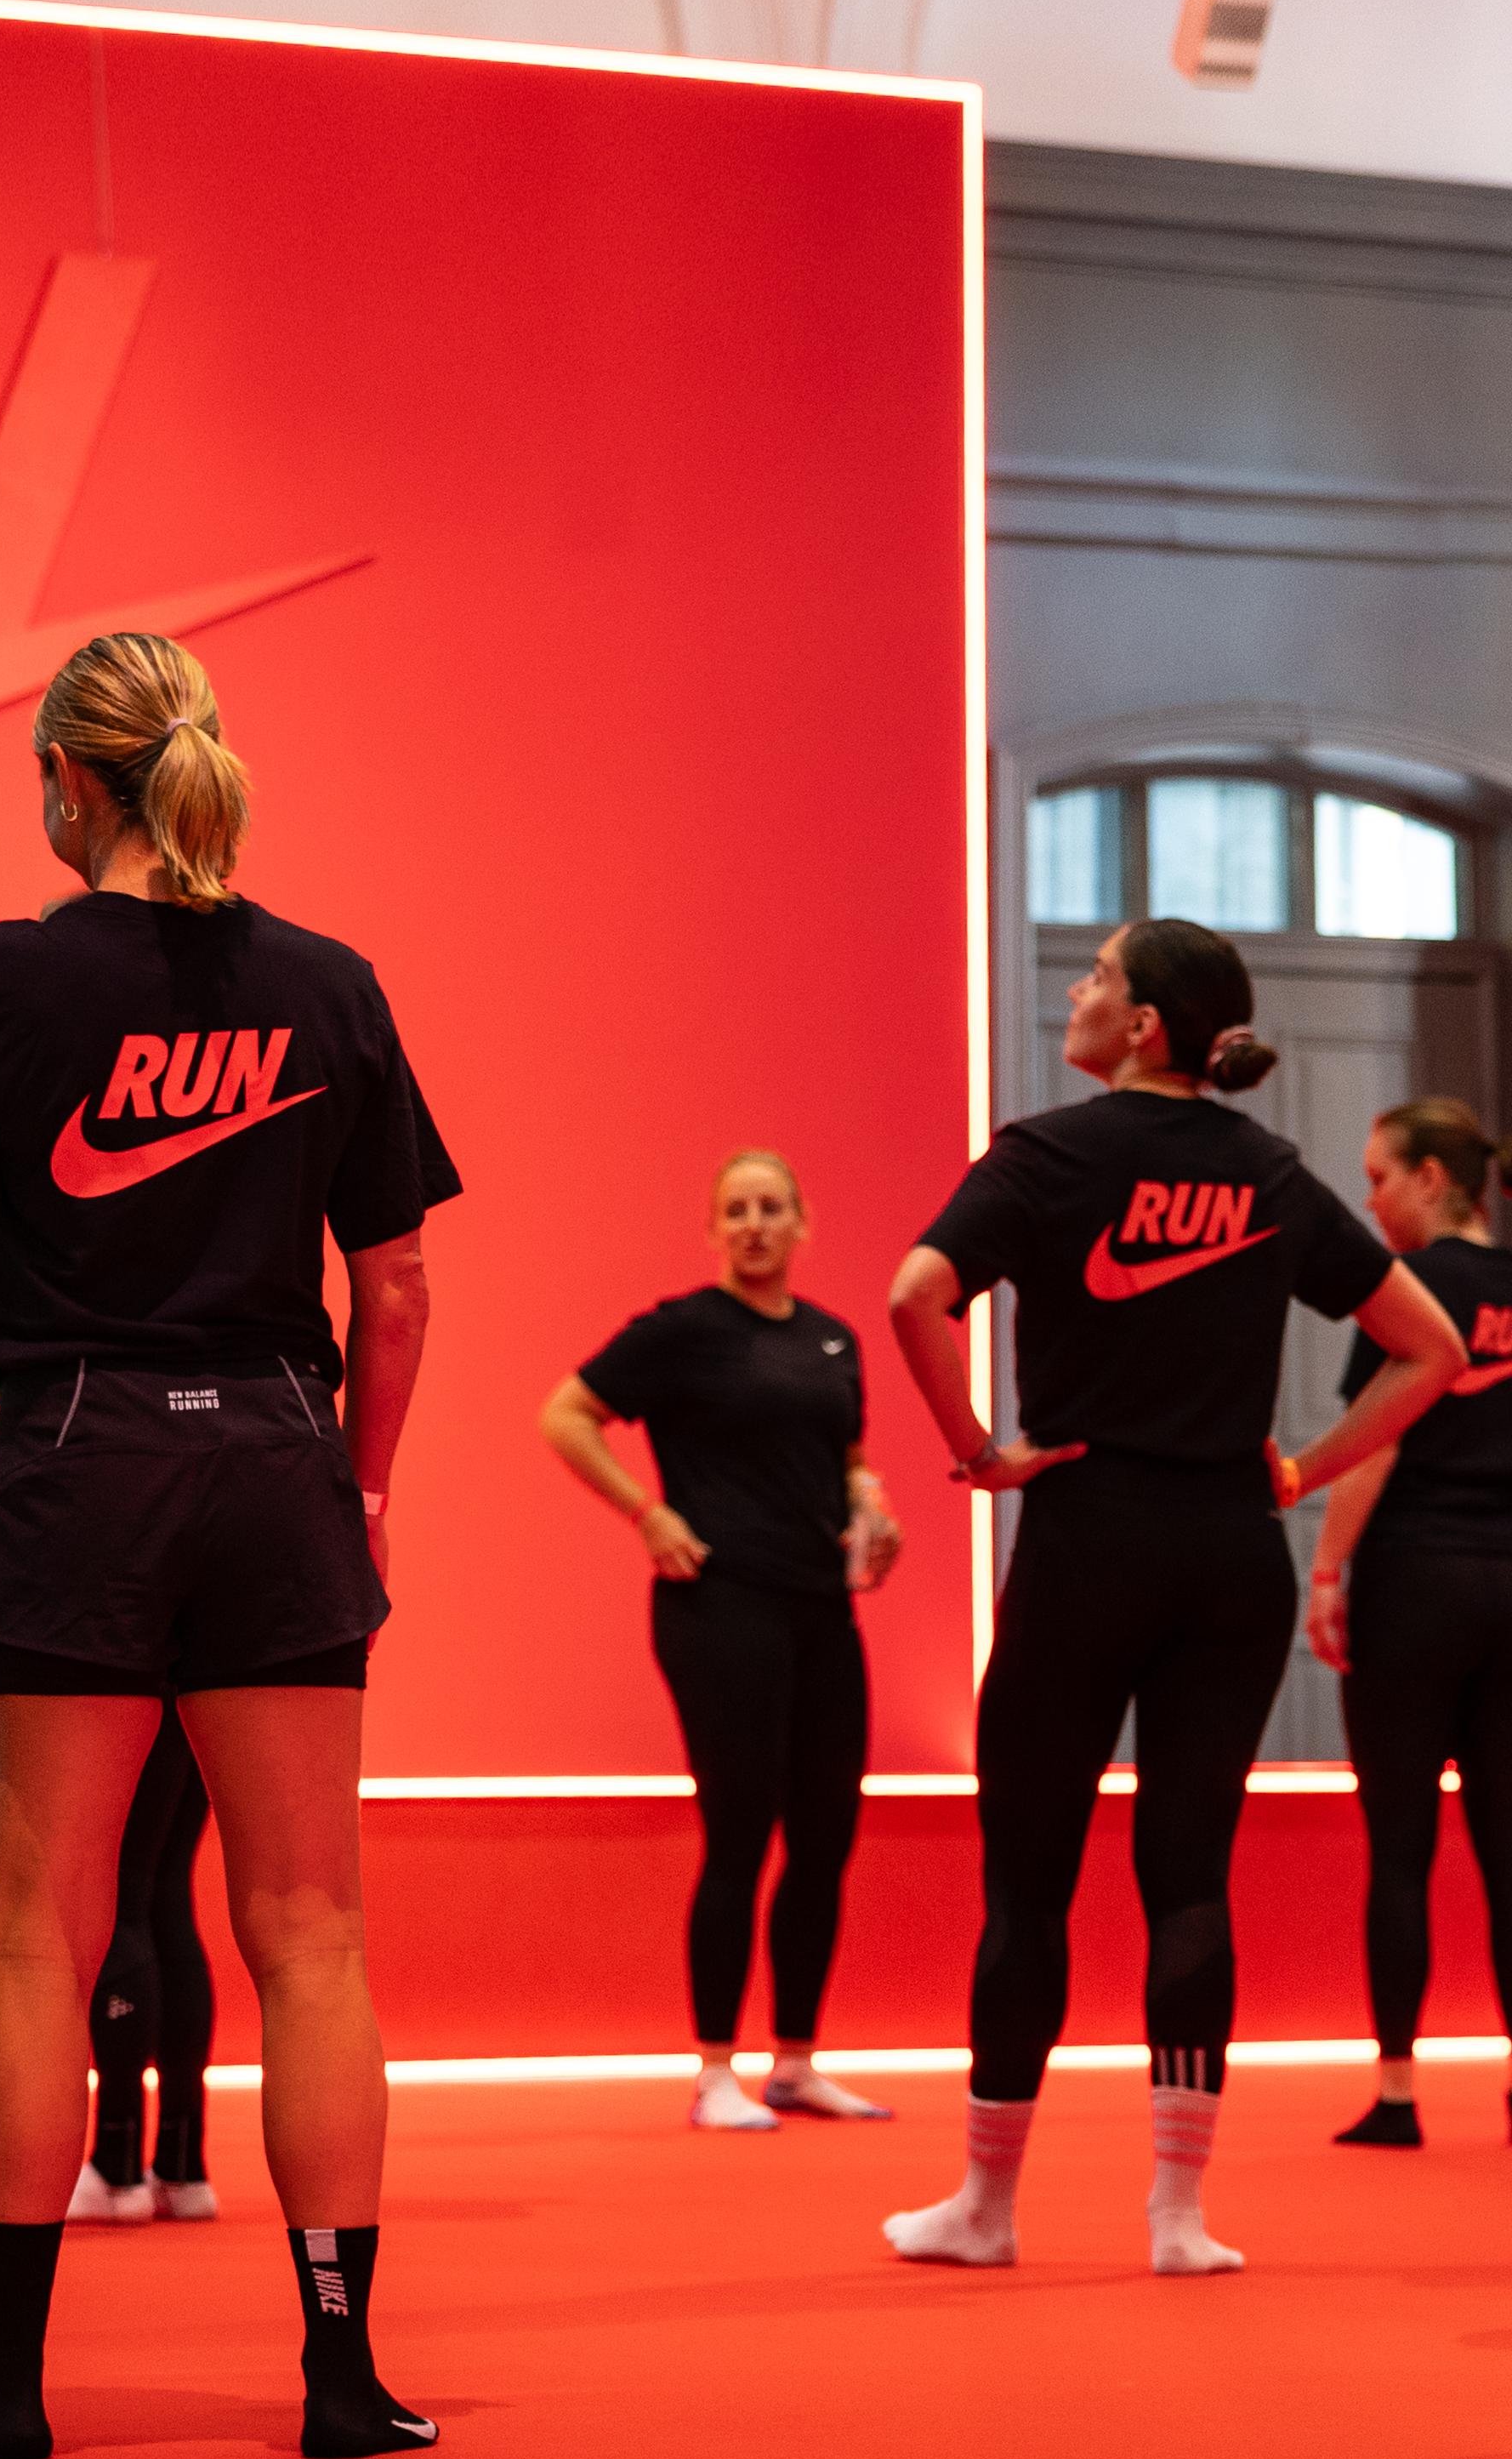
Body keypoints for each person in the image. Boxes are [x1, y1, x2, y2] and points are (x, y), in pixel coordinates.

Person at [0, 630, 459, 2459]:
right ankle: (344, 2376)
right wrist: (357, 1491)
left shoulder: (20, 974)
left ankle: (8, 2385)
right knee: (313, 1934)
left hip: (76, 1460)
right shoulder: (330, 982)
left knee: (37, 1939)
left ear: (71, 779)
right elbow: (399, 1286)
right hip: (277, 1470)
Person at [879, 919, 1462, 2277]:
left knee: (1029, 1882)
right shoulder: (1269, 1172)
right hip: (1227, 1555)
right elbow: (1427, 1349)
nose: (1077, 992)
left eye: (1095, 976)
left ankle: (986, 2206)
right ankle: (1179, 2216)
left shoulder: (1045, 1156)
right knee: (1190, 1875)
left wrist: (976, 1454)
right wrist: (1303, 1468)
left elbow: (915, 1295)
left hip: (1085, 1538)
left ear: (1143, 1027)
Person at [540, 1153, 904, 2132]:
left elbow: (851, 1456)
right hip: (719, 1608)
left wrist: (873, 1509)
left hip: (822, 1610)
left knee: (825, 1835)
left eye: (770, 1208)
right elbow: (565, 1414)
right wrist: (646, 1515)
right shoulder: (684, 1331)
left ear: (802, 1222)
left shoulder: (834, 1341)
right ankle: (714, 2069)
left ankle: (795, 2060)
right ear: (714, 1229)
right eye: (735, 1210)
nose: (754, 1224)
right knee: (740, 1831)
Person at [0, 1350, 221, 2226]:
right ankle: (182, 2162)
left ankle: (119, 2162)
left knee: (125, 1894)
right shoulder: (228, 1309)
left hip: (121, 1593)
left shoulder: (98, 1291)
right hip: (221, 1580)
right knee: (164, 1893)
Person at [1305, 1099, 1512, 2149]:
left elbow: (1376, 1442)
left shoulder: (1413, 1290)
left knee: (1402, 1848)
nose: (1372, 1199)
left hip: (1415, 1585)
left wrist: (1329, 1571)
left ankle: (1395, 2093)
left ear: (1433, 1178)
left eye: (1381, 1177)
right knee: (1511, 1851)